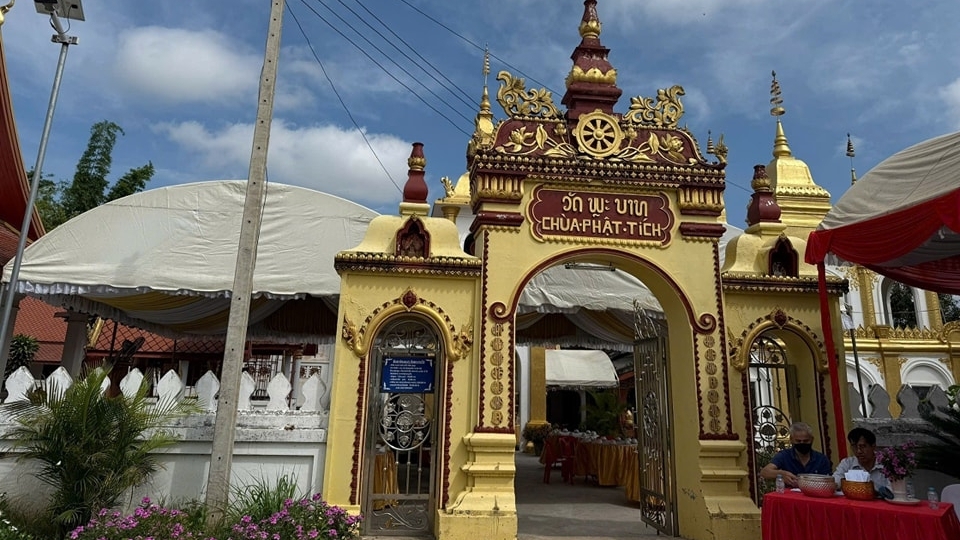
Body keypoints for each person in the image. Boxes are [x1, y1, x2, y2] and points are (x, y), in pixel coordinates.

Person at [760, 421, 832, 488]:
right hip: (791, 498)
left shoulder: (821, 459)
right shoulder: (784, 456)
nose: (802, 443)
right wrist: (781, 474)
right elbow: (765, 472)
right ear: (791, 440)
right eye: (798, 441)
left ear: (812, 439)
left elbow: (829, 483)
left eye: (806, 441)